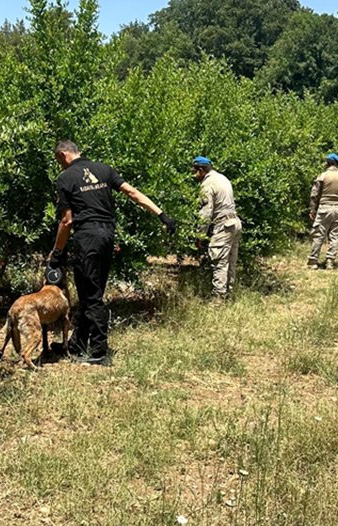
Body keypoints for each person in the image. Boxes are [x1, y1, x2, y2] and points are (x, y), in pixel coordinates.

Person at [48, 140, 174, 364]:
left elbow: (67, 221)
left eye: (59, 161)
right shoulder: (103, 169)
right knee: (92, 290)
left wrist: (57, 252)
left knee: (91, 295)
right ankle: (77, 344)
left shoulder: (65, 178)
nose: (60, 166)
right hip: (107, 236)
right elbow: (132, 192)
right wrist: (161, 214)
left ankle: (98, 352)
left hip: (87, 237)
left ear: (63, 155)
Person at [192, 156, 243, 296]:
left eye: (195, 171)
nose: (194, 175)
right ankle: (229, 293)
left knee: (219, 261)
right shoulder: (223, 178)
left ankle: (219, 299)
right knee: (230, 262)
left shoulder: (208, 184)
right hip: (235, 223)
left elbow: (205, 213)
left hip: (223, 225)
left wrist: (199, 236)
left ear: (201, 170)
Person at [307, 153, 338, 269]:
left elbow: (314, 195)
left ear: (328, 163)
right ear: (337, 164)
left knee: (319, 234)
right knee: (334, 236)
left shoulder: (322, 176)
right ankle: (330, 261)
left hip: (324, 208)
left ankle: (313, 261)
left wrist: (312, 209)